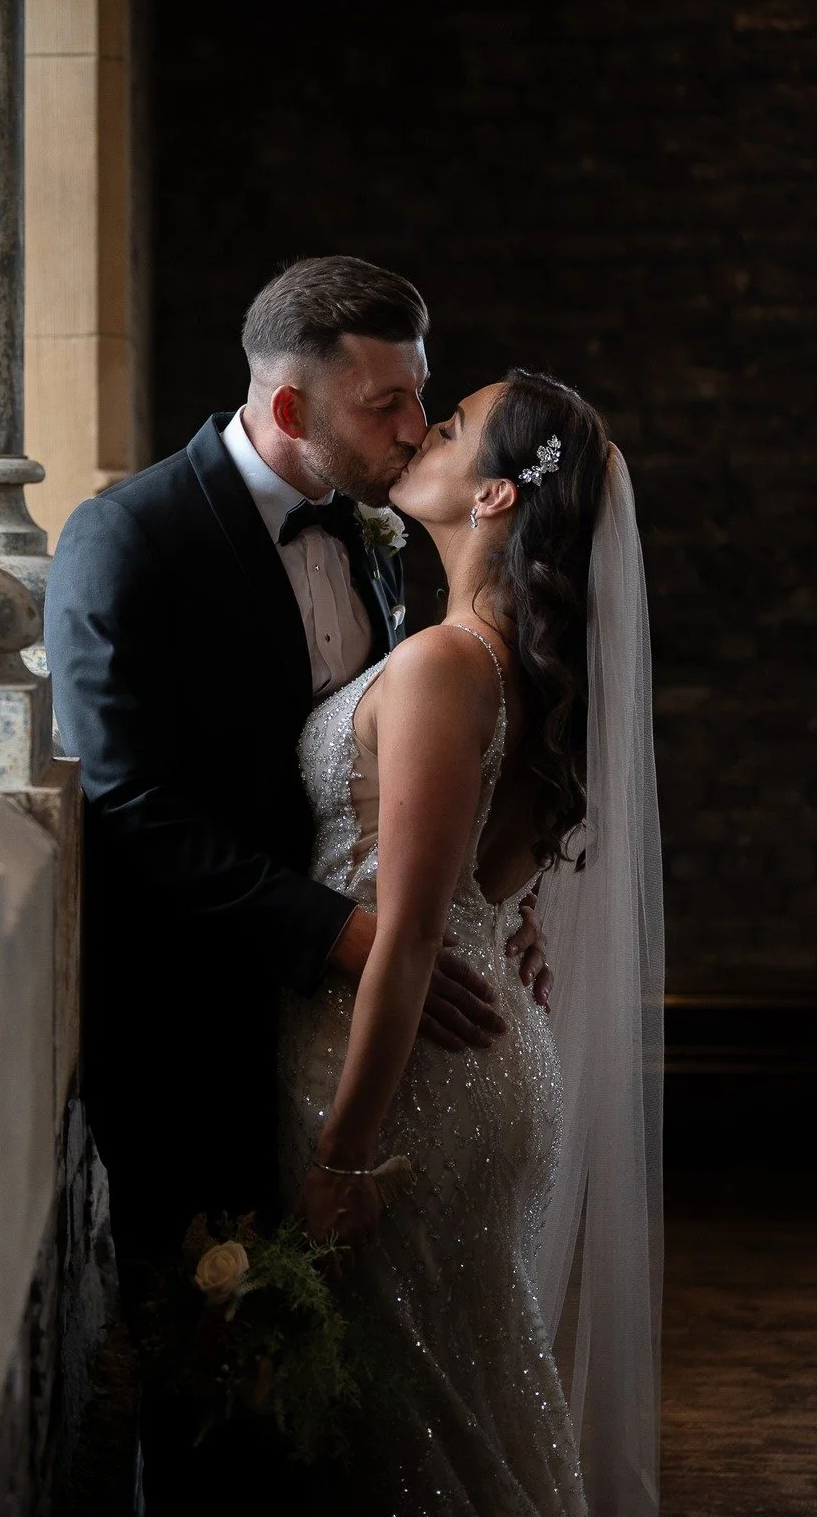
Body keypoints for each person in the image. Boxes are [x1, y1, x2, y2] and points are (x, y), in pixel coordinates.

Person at [44, 256, 552, 1510]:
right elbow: (130, 799)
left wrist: (481, 917)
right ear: (286, 410)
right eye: (383, 404)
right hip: (197, 1029)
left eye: (419, 398)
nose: (410, 429)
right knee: (218, 1395)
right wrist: (348, 938)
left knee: (365, 1391)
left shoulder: (382, 538)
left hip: (356, 1032)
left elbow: (409, 786)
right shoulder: (130, 535)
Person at [281, 369, 664, 1514]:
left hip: (409, 1090)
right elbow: (479, 886)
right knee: (466, 1414)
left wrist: (342, 1157)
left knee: (417, 1441)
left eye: (448, 429)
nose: (420, 436)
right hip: (477, 1054)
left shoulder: (452, 663)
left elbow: (404, 936)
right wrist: (515, 914)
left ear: (494, 496)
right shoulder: (498, 662)